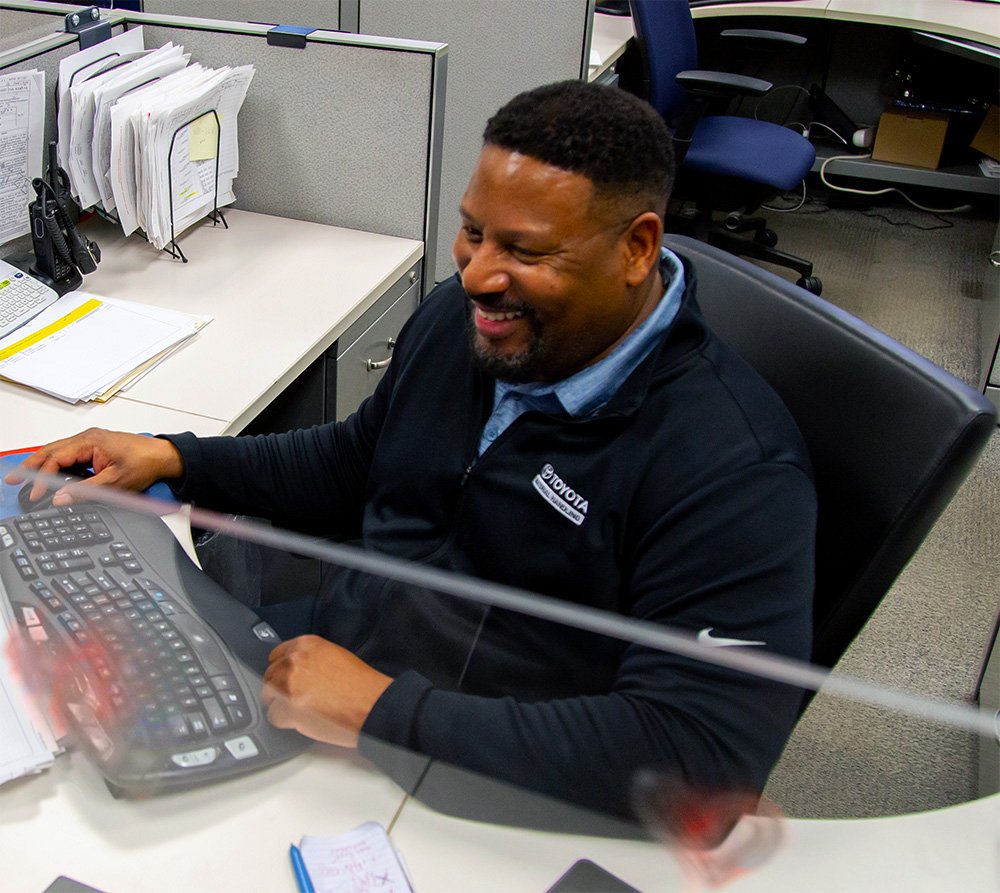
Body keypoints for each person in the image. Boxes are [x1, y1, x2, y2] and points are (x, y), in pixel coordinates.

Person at [7, 81, 816, 822]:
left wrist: (381, 712)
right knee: (69, 691)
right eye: (471, 232)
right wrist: (176, 457)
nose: (477, 276)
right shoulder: (465, 323)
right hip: (349, 647)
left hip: (479, 761)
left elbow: (703, 752)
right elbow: (355, 461)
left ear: (638, 248)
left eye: (525, 252)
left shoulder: (733, 467)